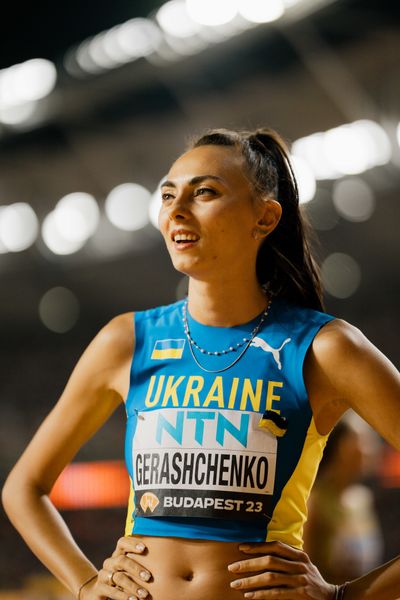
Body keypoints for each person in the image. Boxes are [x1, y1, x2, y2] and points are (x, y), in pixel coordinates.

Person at [2, 128, 400, 600]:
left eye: (204, 192)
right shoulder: (125, 341)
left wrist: (345, 597)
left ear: (265, 217)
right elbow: (23, 488)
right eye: (168, 195)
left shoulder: (326, 349)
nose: (175, 210)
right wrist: (86, 583)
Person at [303, 418, 383, 583]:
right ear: (341, 448)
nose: (372, 449)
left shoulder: (362, 499)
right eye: (363, 441)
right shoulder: (313, 501)